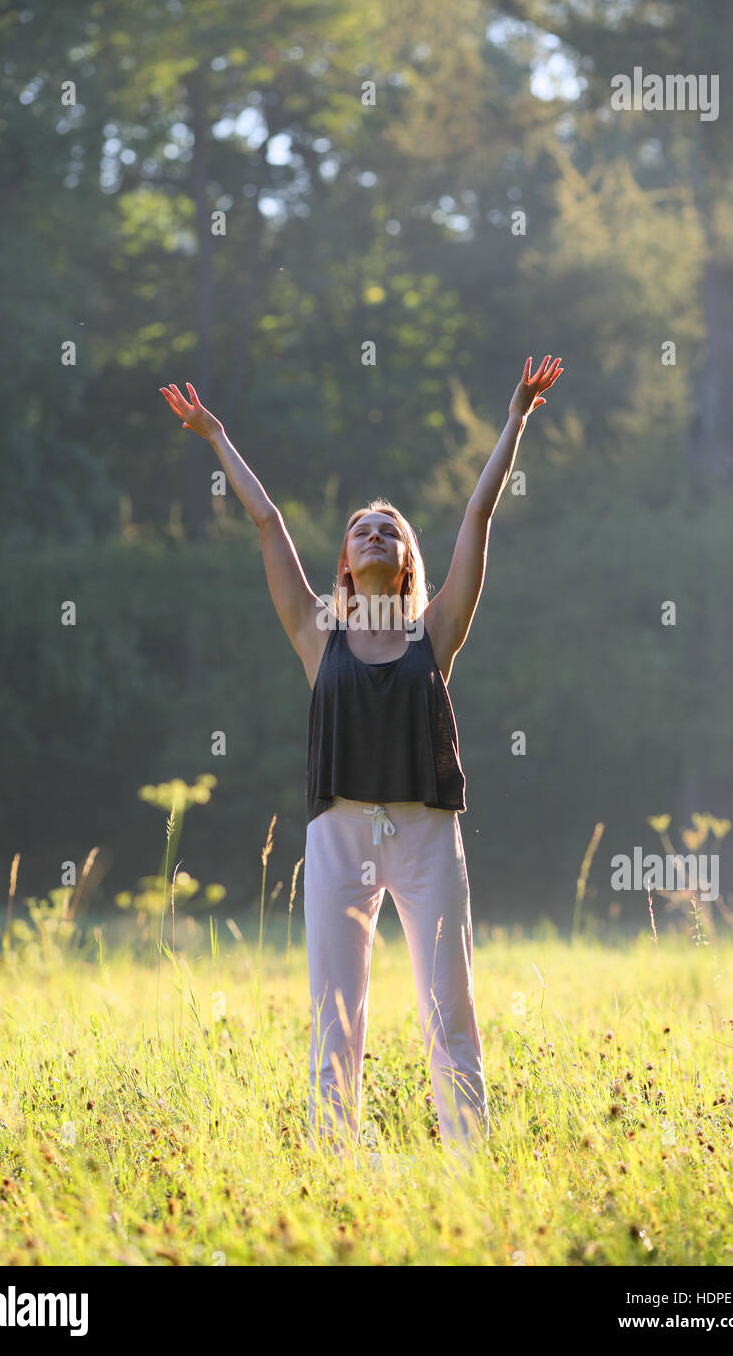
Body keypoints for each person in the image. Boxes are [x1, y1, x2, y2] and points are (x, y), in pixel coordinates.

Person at [159, 354, 563, 1166]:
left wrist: (516, 417)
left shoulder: (436, 628)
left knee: (450, 1010)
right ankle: (333, 1171)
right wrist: (217, 436)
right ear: (345, 561)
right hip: (339, 837)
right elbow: (269, 522)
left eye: (391, 530)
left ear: (405, 561)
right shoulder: (318, 631)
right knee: (336, 1013)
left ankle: (469, 1168)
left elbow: (478, 518)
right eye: (361, 530)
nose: (376, 534)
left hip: (425, 836)